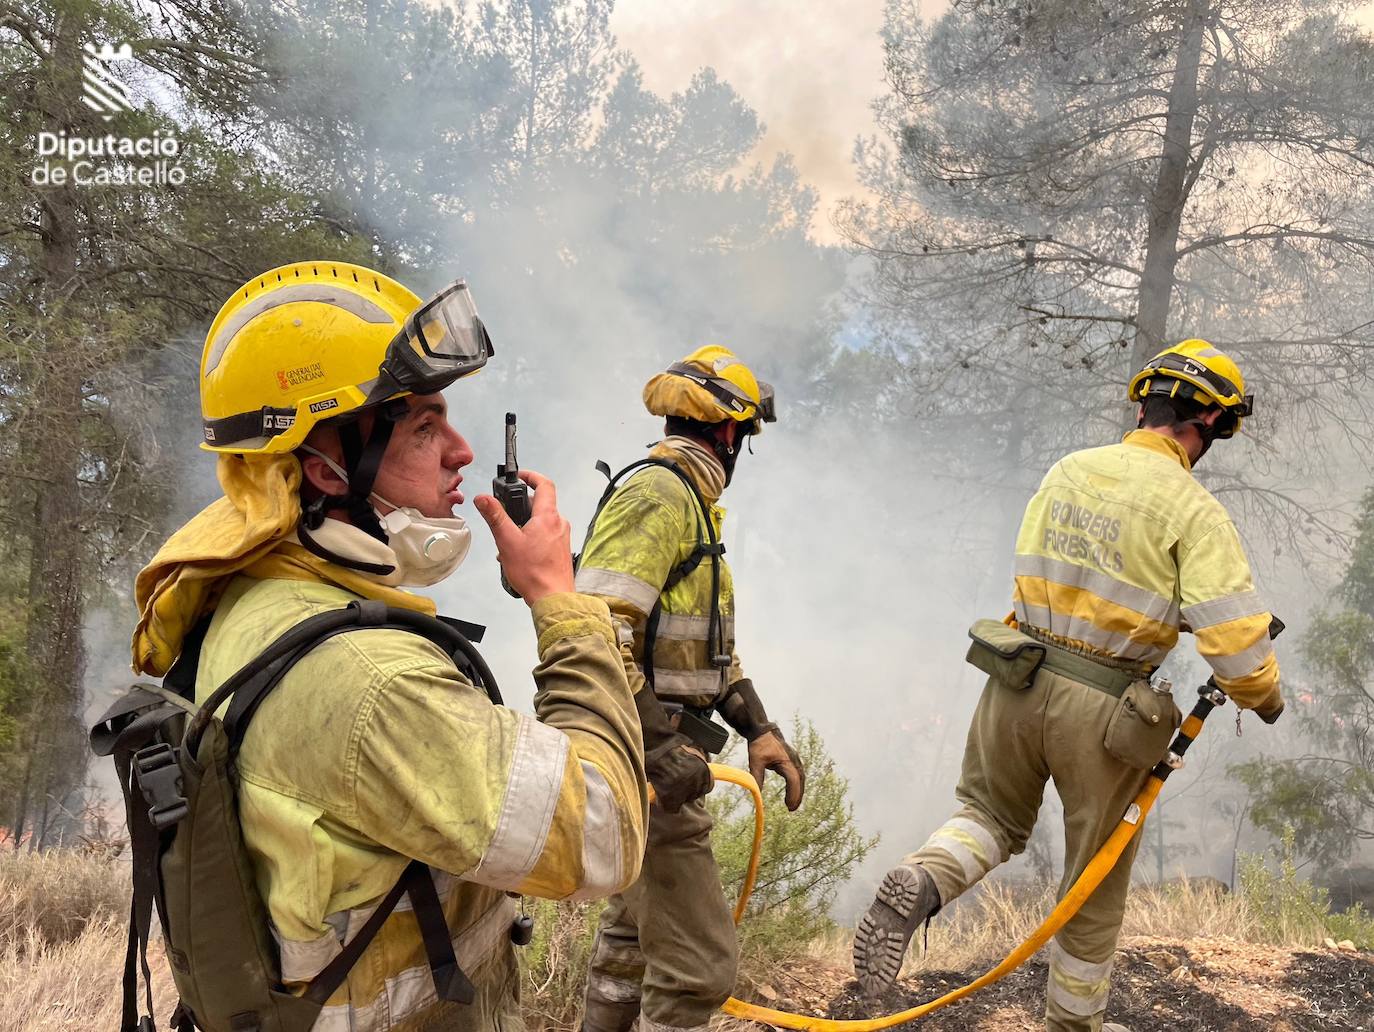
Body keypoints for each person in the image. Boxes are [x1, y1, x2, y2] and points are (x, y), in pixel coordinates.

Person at [129, 261, 648, 1030]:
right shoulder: (369, 680)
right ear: (325, 468)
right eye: (424, 427)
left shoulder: (242, 598)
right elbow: (602, 837)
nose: (464, 452)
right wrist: (559, 603)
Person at [852, 339, 1284, 1032]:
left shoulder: (1066, 472)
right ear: (1204, 424)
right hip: (1107, 712)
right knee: (1094, 877)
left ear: (1145, 405)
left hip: (1016, 680)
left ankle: (925, 878)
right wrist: (1265, 696)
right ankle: (1071, 1025)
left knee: (989, 817)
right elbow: (1236, 647)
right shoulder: (1193, 510)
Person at [574, 346, 806, 1032]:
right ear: (730, 433)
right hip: (645, 764)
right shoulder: (660, 495)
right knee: (700, 969)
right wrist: (655, 745)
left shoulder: (689, 505)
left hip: (652, 757)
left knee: (629, 943)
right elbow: (593, 633)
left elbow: (703, 654)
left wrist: (757, 727)